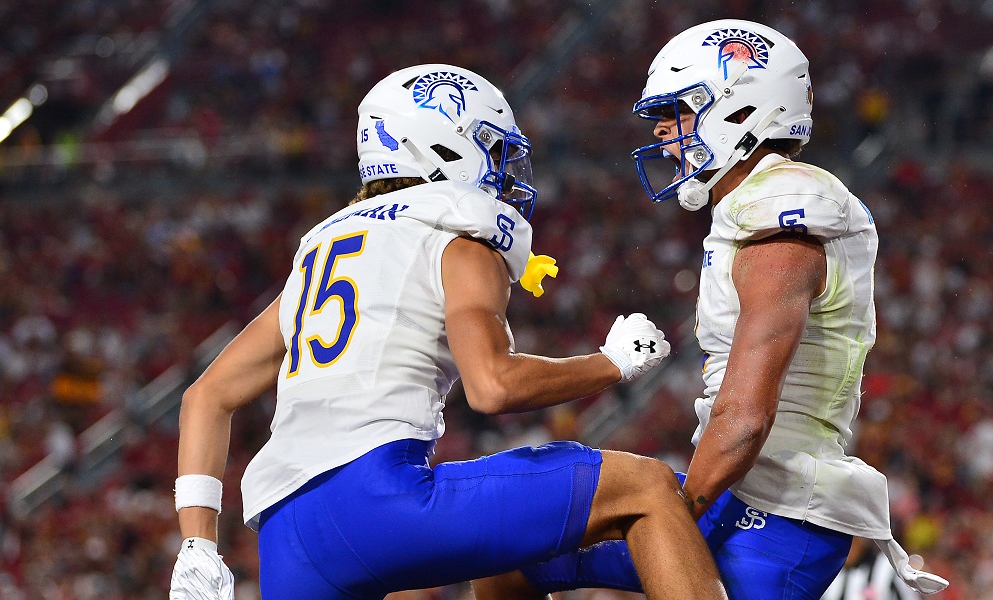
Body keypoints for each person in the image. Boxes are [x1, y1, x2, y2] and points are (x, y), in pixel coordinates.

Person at [168, 64, 729, 600]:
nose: (504, 171)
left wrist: (197, 542)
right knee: (645, 486)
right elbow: (493, 386)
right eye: (492, 149)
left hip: (286, 538)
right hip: (378, 498)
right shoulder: (456, 234)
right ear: (440, 147)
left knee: (512, 551)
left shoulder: (320, 251)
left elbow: (207, 396)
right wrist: (611, 364)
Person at [473, 19, 947, 599]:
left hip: (776, 515)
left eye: (679, 115)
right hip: (754, 500)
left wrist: (669, 516)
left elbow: (745, 418)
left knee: (520, 543)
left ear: (741, 110)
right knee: (508, 550)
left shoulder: (782, 225)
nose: (667, 137)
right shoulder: (755, 213)